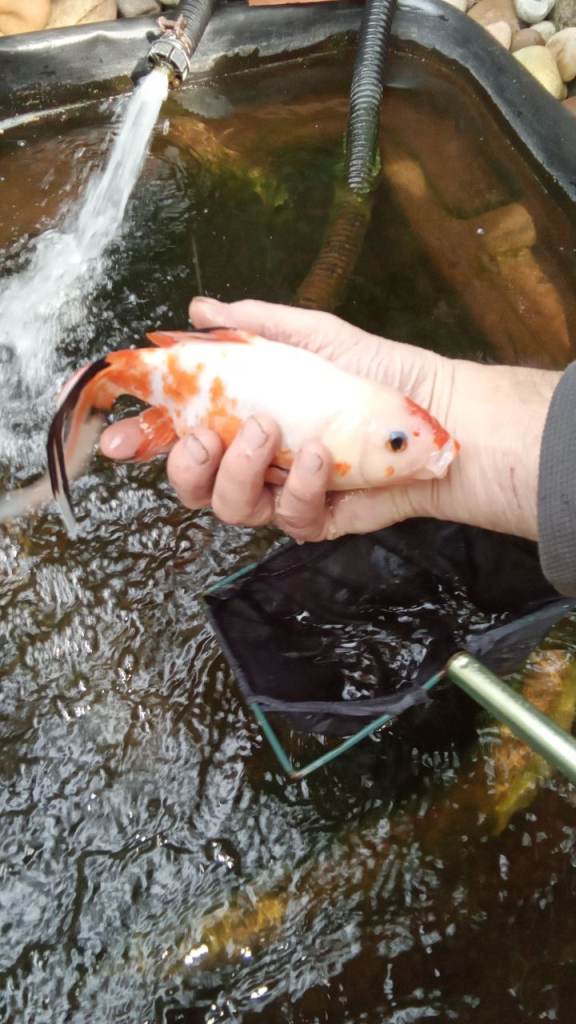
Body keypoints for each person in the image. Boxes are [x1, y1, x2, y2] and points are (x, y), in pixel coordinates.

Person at [100, 296, 576, 598]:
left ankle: (103, 386)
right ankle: (101, 385)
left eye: (396, 442)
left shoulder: (366, 405)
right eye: (396, 442)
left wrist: (442, 403)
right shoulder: (350, 400)